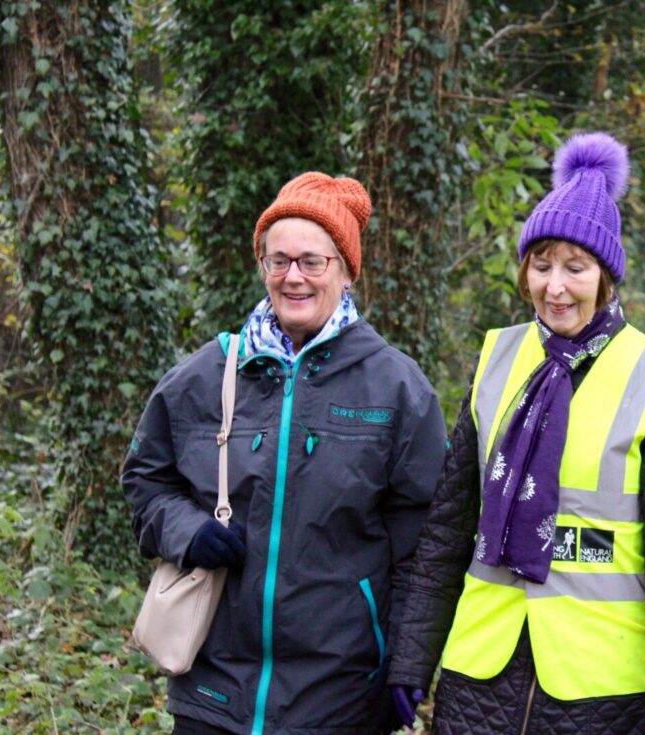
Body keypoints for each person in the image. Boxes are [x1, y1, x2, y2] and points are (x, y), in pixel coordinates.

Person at [387, 133, 645, 734]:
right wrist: (413, 658)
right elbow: (447, 531)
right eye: (541, 264)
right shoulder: (497, 358)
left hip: (599, 685)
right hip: (480, 670)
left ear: (606, 277)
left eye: (575, 267)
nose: (554, 286)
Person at [122, 172, 447, 735]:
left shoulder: (396, 389)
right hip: (211, 688)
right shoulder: (207, 375)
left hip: (339, 697)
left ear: (345, 272)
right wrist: (184, 530)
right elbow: (146, 480)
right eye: (279, 260)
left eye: (312, 261)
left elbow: (426, 544)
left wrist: (405, 661)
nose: (293, 276)